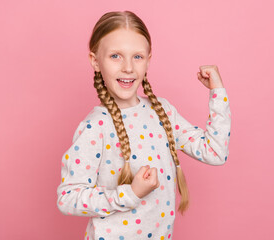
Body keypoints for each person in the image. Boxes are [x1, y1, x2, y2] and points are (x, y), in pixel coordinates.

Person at [56, 10, 232, 240]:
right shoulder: (95, 126)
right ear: (95, 61)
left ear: (148, 60)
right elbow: (67, 198)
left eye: (137, 56)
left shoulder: (163, 111)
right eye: (115, 56)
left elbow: (215, 152)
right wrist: (131, 193)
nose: (128, 67)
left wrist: (217, 91)